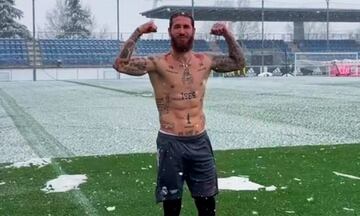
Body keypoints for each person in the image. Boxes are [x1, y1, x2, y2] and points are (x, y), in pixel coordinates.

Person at [113, 12, 245, 216]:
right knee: (172, 205)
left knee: (207, 204)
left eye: (186, 27)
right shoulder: (157, 63)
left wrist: (227, 34)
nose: (182, 31)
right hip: (170, 143)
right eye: (177, 27)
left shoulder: (205, 61)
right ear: (170, 31)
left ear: (193, 31)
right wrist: (138, 32)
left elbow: (238, 63)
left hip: (200, 142)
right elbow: (120, 64)